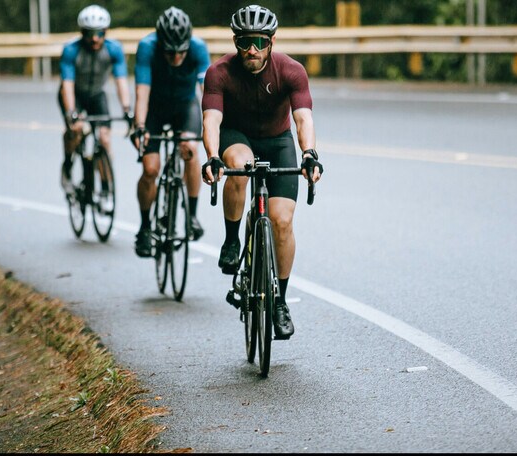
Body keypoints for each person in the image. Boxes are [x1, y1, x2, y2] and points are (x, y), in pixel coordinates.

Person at [201, 4, 323, 340]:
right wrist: (212, 156)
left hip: (278, 140)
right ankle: (230, 241)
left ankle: (280, 302)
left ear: (270, 41)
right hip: (237, 138)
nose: (250, 49)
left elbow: (303, 118)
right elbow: (211, 120)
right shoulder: (219, 73)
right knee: (240, 166)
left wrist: (310, 153)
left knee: (282, 221)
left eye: (258, 41)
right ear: (235, 42)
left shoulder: (291, 70)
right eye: (243, 42)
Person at [130, 6, 210, 258]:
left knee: (189, 148)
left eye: (180, 52)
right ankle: (144, 227)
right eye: (170, 52)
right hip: (155, 108)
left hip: (185, 106)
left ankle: (192, 216)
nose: (176, 57)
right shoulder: (147, 48)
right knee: (150, 168)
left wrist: (214, 126)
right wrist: (140, 127)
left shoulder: (198, 48)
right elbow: (141, 93)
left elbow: (207, 93)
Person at [57, 5, 132, 198]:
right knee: (76, 129)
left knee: (105, 139)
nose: (95, 38)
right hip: (75, 94)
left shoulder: (114, 49)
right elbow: (67, 84)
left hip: (97, 95)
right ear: (82, 33)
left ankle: (106, 187)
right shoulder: (71, 50)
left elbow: (121, 81)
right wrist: (71, 112)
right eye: (89, 33)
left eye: (99, 33)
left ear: (105, 32)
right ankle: (67, 163)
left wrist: (127, 109)